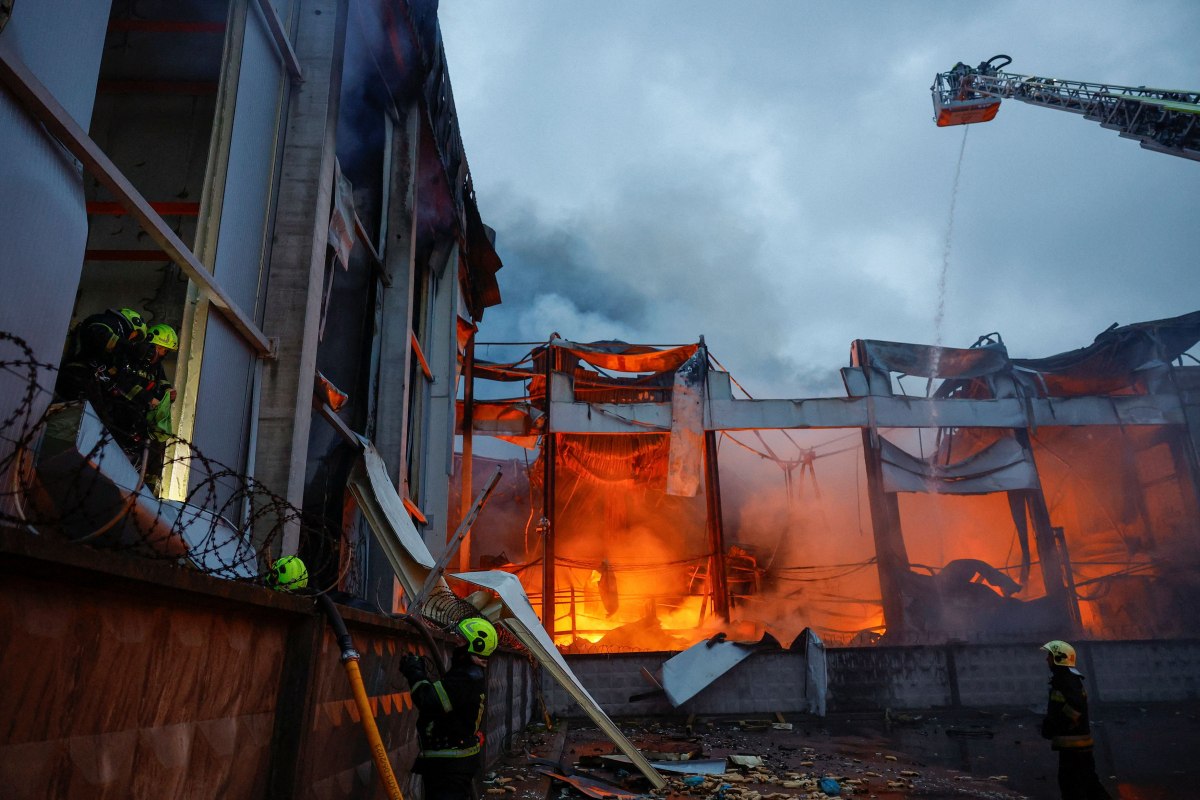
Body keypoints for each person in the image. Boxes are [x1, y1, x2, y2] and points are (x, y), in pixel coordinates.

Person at [400, 617, 498, 800]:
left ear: (474, 645)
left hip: (450, 767)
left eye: (461, 639)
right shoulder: (468, 674)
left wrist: (414, 671)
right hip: (451, 764)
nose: (456, 642)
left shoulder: (465, 678)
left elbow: (428, 700)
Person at [1040, 640, 1111, 799]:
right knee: (1088, 784)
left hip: (1073, 746)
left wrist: (1058, 724)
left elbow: (1075, 707)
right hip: (1073, 746)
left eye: (1050, 656)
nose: (1047, 660)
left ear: (1059, 658)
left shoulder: (1066, 680)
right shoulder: (1065, 678)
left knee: (1073, 786)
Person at [56, 307, 148, 401]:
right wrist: (131, 346)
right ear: (132, 324)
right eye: (136, 335)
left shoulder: (117, 351)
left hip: (84, 384)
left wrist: (148, 399)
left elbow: (119, 379)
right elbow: (98, 334)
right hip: (73, 371)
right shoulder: (111, 322)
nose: (133, 338)